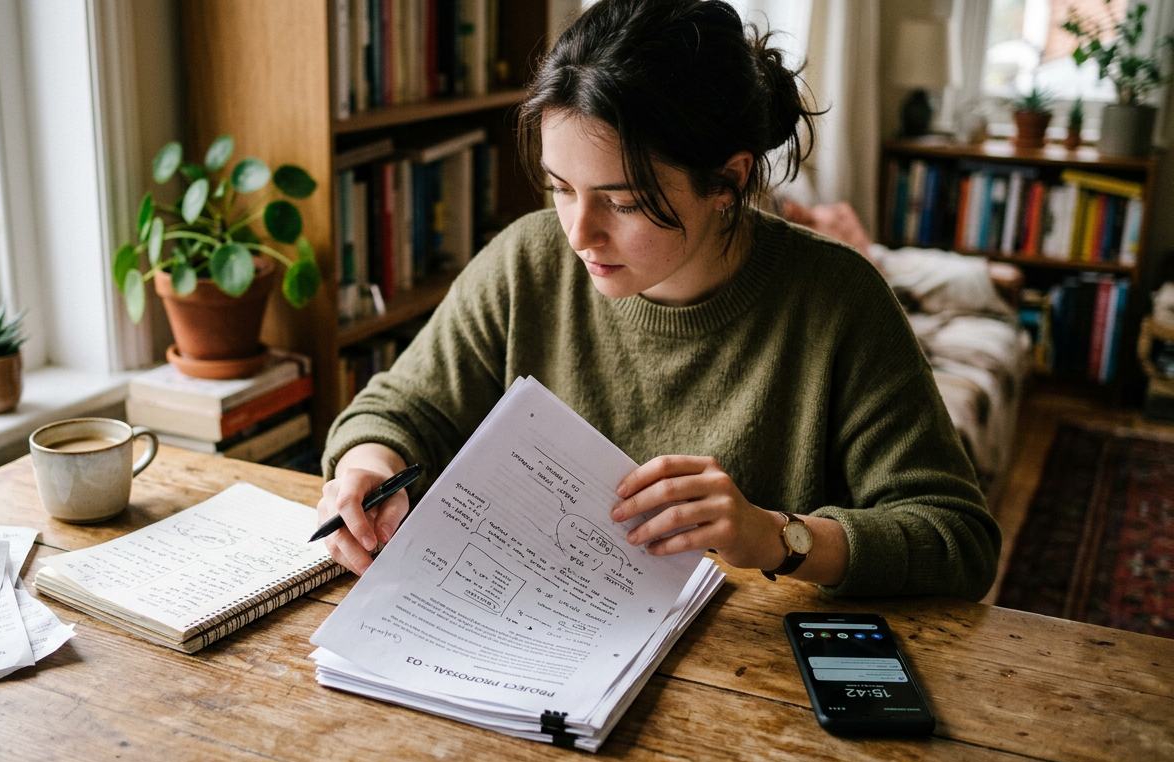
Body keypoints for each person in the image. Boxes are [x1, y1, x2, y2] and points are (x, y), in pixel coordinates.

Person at [317, 0, 1001, 600]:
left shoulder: (838, 300)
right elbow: (401, 408)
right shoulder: (527, 259)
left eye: (623, 201)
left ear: (728, 180)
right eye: (560, 188)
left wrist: (777, 538)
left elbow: (957, 540)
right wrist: (367, 470)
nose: (580, 234)